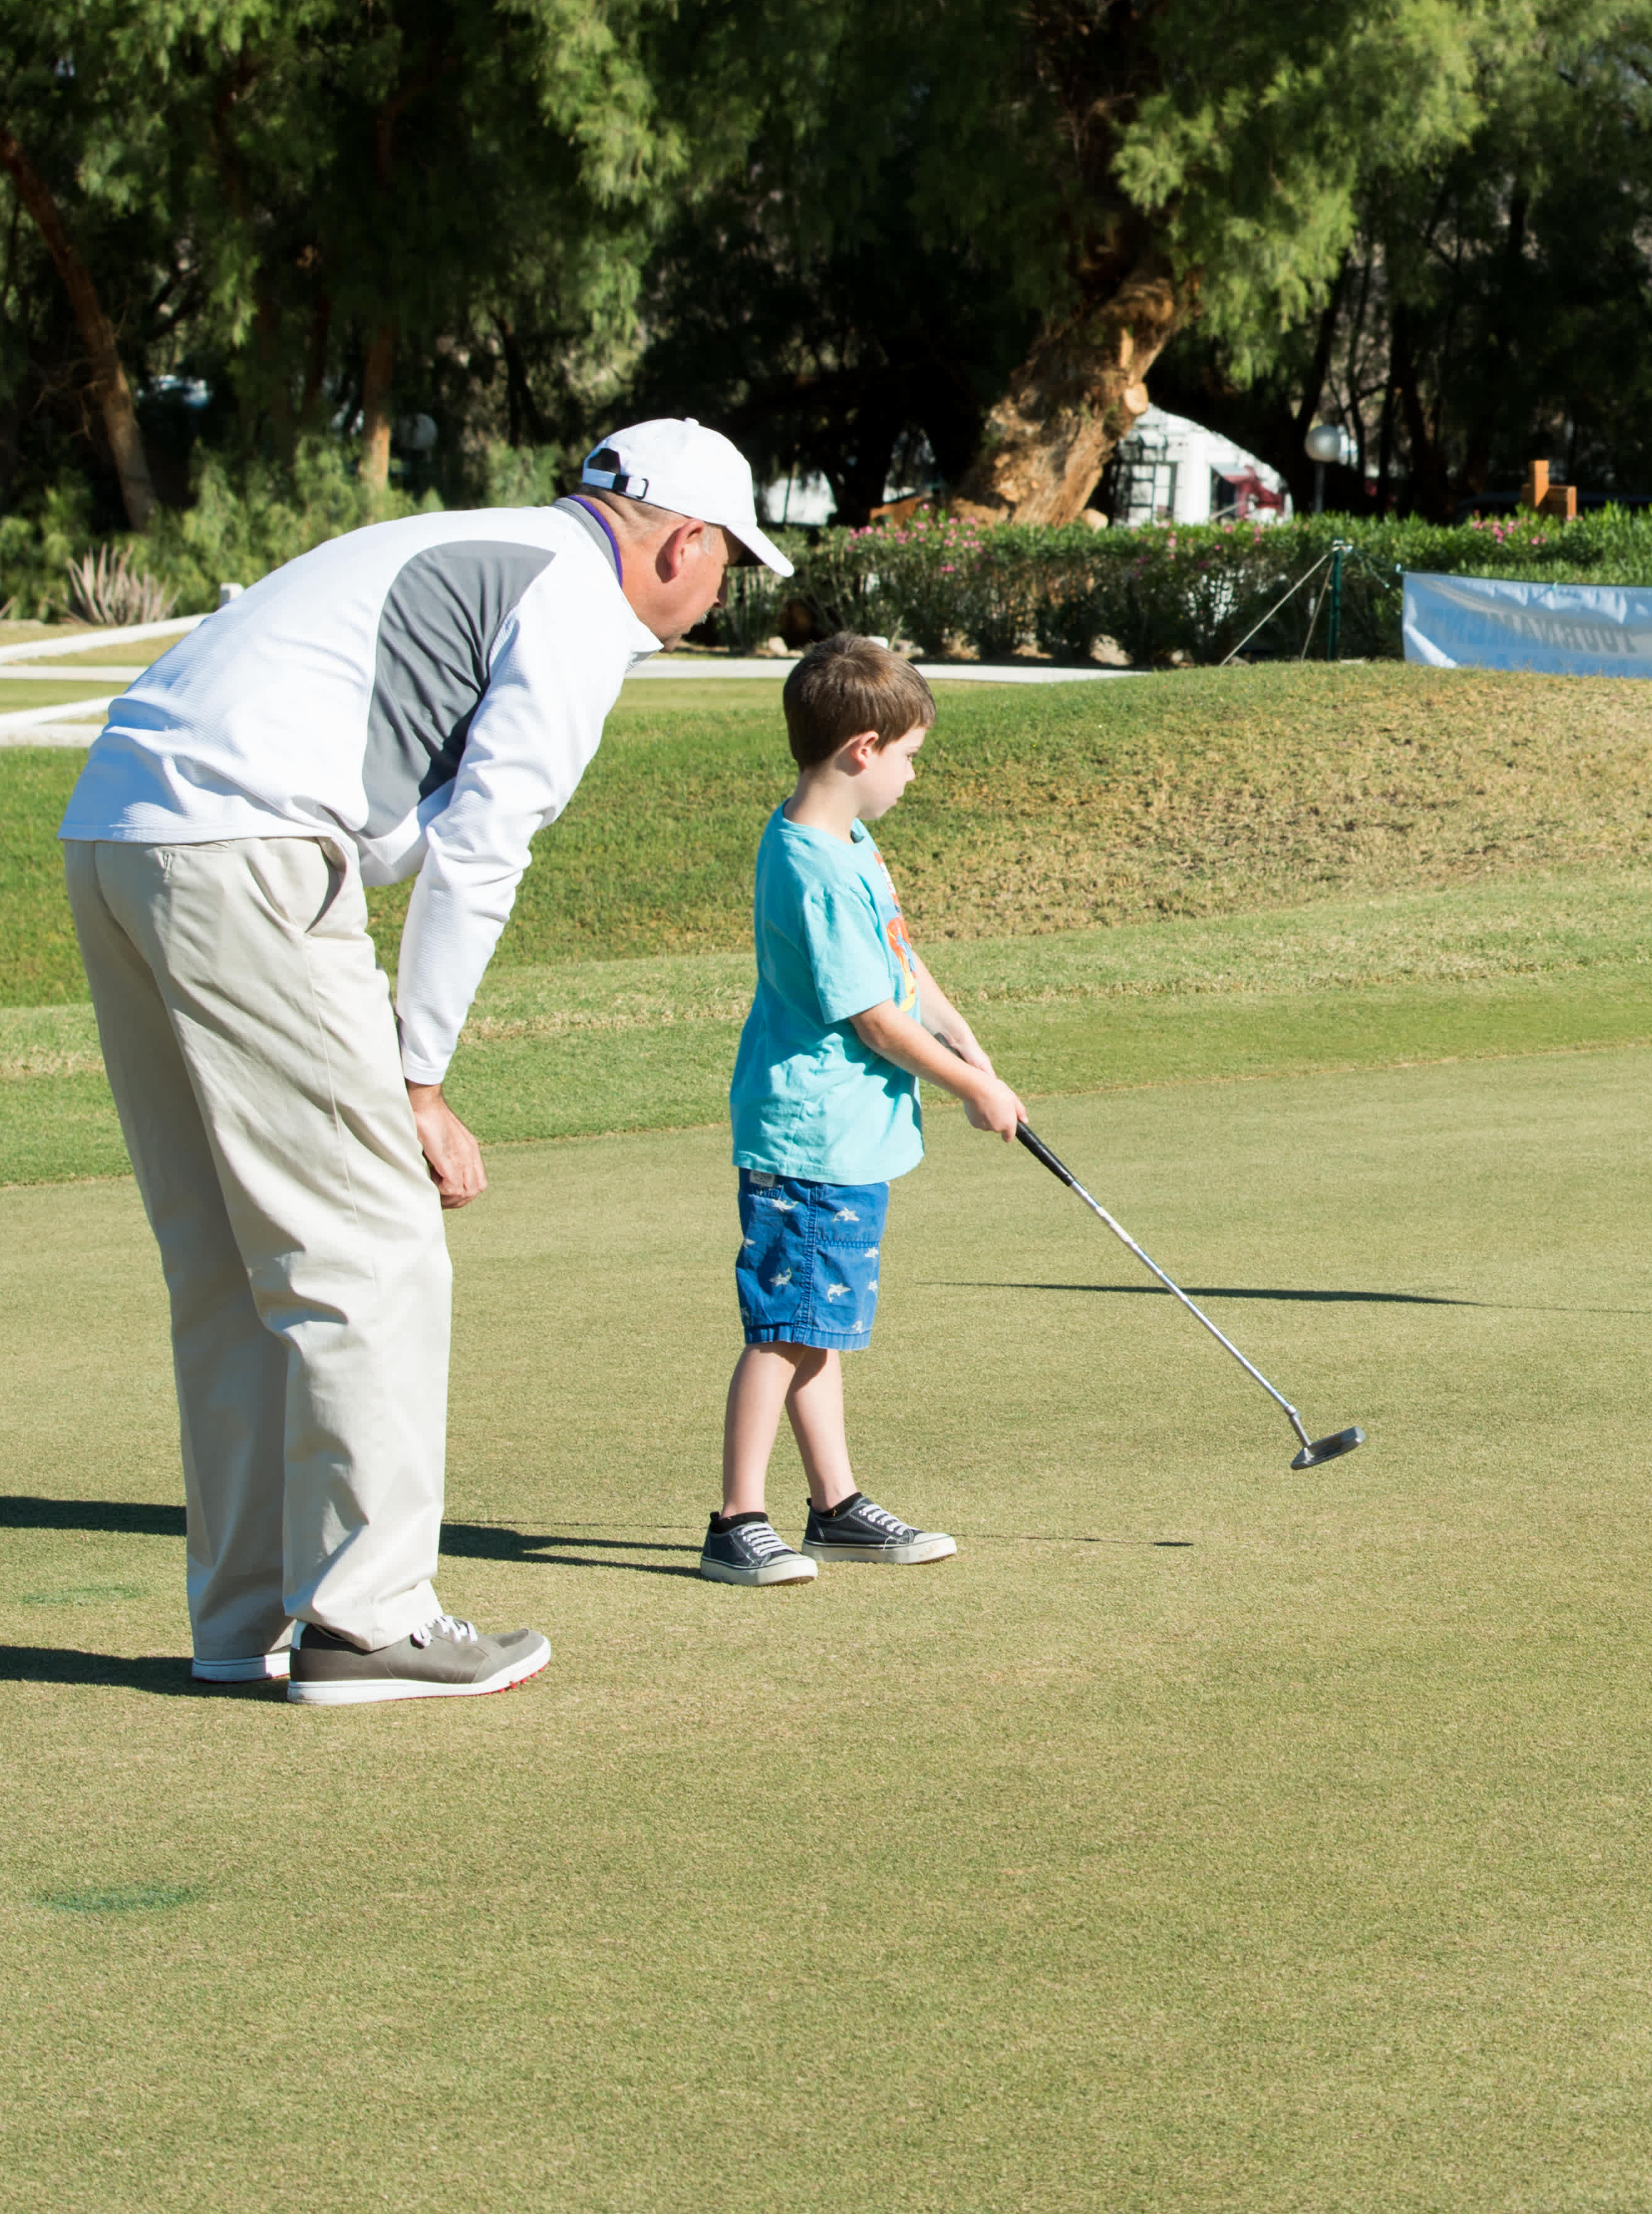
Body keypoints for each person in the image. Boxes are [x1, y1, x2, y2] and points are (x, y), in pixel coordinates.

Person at [59, 420, 790, 1703]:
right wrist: (416, 1078)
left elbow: (399, 814)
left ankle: (245, 1624)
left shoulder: (483, 545)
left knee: (232, 1263)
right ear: (683, 540)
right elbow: (481, 850)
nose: (719, 591)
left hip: (118, 832)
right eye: (729, 561)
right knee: (373, 1244)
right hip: (248, 847)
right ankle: (368, 1616)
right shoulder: (574, 606)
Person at [704, 635, 1025, 1584]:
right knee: (786, 1330)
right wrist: (970, 1088)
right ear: (862, 750)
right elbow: (875, 1020)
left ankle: (835, 1504)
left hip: (847, 1136)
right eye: (911, 755)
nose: (912, 775)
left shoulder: (848, 841)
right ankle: (736, 1520)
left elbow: (900, 964)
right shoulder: (811, 865)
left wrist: (962, 1031)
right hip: (809, 1134)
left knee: (819, 1322)